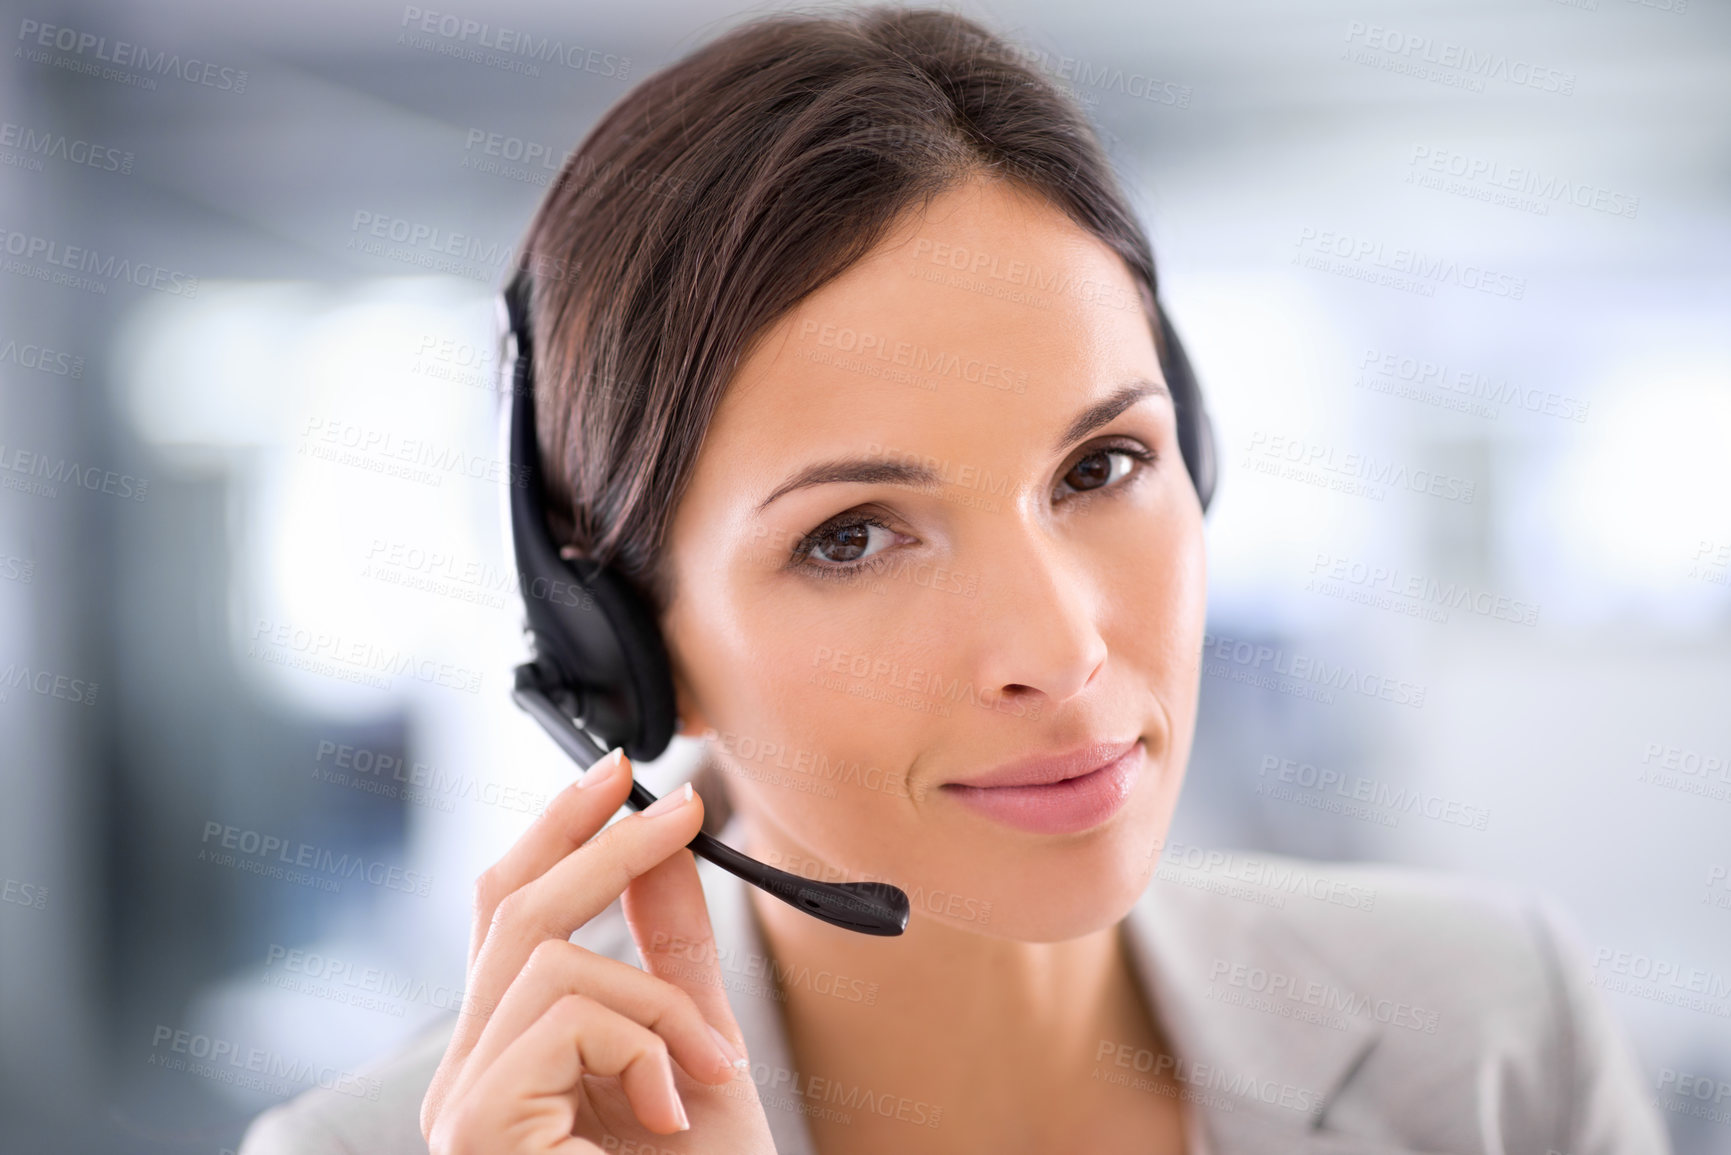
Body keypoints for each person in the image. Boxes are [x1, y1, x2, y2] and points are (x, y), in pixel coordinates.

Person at [239, 7, 1667, 1153]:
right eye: (851, 535)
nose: (1058, 649)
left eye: (1102, 465)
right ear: (617, 635)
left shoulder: (1490, 1040)